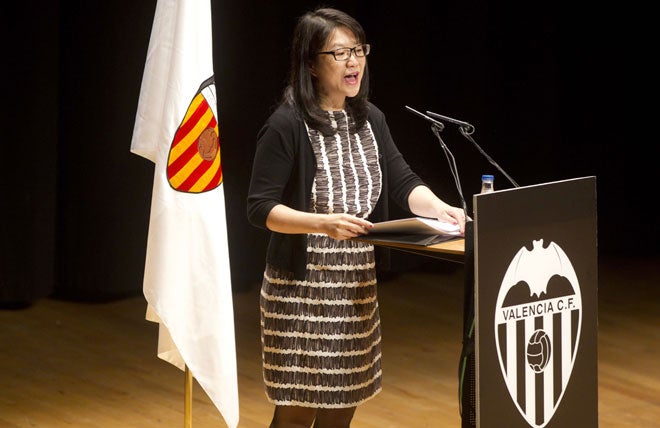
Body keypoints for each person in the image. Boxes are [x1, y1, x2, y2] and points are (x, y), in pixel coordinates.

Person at [247, 7, 466, 428]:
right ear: (311, 64)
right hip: (300, 289)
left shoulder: (369, 119)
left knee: (341, 408)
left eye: (359, 50)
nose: (353, 62)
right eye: (340, 53)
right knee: (295, 411)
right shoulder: (286, 125)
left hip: (355, 287)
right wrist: (322, 223)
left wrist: (440, 208)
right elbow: (260, 208)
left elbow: (402, 182)